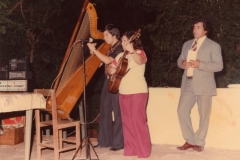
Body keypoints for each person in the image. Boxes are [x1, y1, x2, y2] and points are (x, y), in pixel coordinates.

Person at [176, 17, 223, 152]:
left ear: (205, 30)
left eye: (198, 27)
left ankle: (199, 141)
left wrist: (200, 64)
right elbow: (179, 60)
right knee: (181, 111)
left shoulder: (213, 46)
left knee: (203, 115)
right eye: (194, 27)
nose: (195, 30)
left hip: (204, 84)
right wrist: (182, 63)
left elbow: (219, 66)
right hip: (188, 83)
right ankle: (190, 140)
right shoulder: (186, 44)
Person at [108, 31, 151, 158]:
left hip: (138, 91)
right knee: (126, 122)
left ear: (133, 41)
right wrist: (111, 69)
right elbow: (110, 68)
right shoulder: (120, 55)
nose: (123, 43)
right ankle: (131, 149)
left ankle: (143, 151)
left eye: (126, 40)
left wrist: (132, 51)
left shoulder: (139, 53)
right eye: (122, 41)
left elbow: (140, 61)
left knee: (138, 121)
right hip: (123, 91)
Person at [87, 24, 124, 151]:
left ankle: (118, 143)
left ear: (114, 35)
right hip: (107, 80)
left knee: (117, 113)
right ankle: (104, 141)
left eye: (106, 35)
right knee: (104, 111)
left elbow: (108, 61)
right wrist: (94, 52)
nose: (104, 37)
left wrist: (96, 51)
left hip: (117, 82)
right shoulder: (110, 47)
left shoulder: (120, 48)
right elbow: (101, 63)